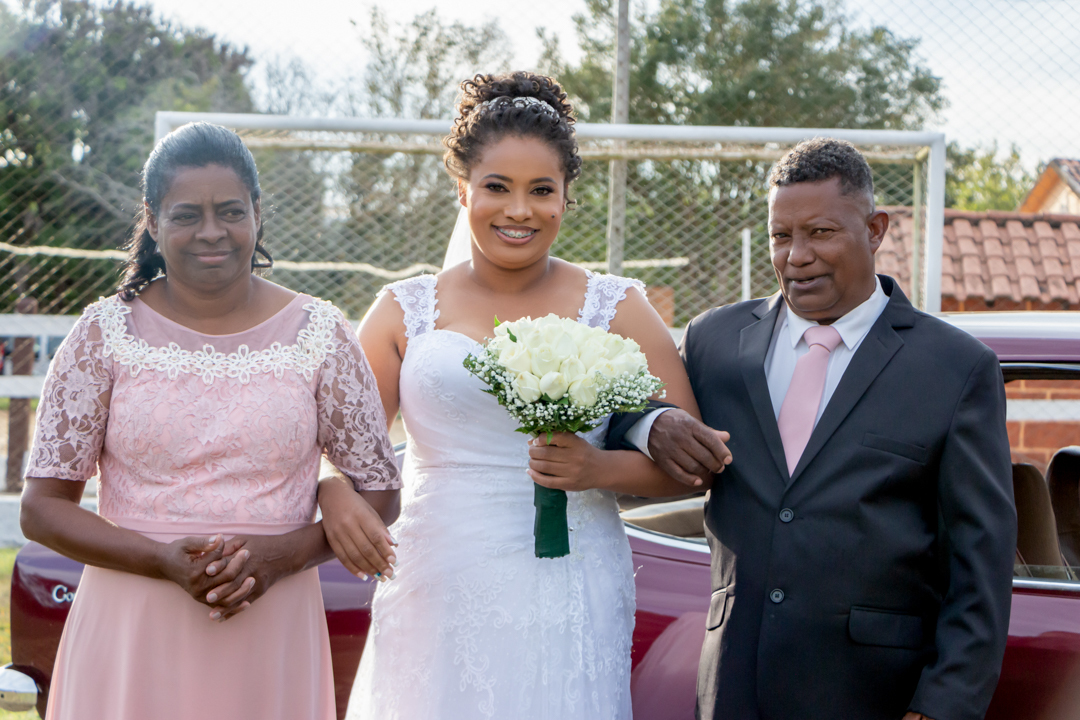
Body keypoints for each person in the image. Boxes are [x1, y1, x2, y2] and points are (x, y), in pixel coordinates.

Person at [317, 71, 706, 720]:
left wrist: (597, 469)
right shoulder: (400, 311)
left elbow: (692, 469)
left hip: (569, 578)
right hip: (437, 573)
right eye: (497, 187)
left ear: (566, 197)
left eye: (541, 190)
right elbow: (333, 447)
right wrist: (331, 488)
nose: (519, 210)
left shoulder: (619, 307)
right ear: (462, 189)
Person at [608, 138, 1017, 720]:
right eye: (781, 236)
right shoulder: (714, 340)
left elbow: (982, 563)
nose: (796, 256)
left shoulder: (954, 368)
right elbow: (615, 406)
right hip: (733, 687)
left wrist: (942, 707)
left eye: (821, 233)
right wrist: (654, 422)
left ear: (874, 230)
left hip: (874, 694)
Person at [19, 122, 401, 720]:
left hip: (270, 621)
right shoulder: (102, 334)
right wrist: (161, 560)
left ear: (256, 211)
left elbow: (380, 493)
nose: (211, 232)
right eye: (186, 215)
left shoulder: (321, 333)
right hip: (132, 619)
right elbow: (42, 508)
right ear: (151, 218)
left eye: (229, 211)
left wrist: (286, 554)